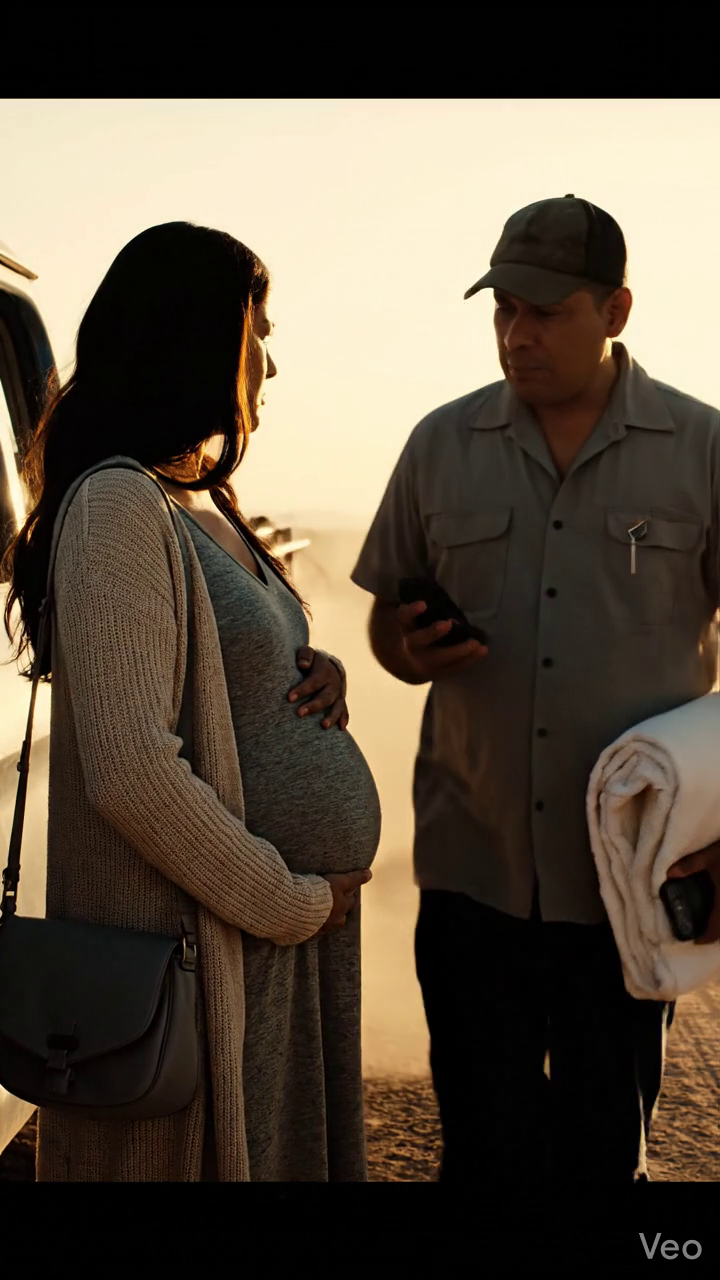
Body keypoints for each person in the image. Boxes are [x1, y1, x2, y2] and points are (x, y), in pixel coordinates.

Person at [351, 194, 720, 1185]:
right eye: (504, 309)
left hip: (630, 879)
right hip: (473, 876)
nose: (518, 334)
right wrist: (408, 646)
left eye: (546, 312)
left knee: (604, 1155)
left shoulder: (703, 448)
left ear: (616, 310)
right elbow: (386, 623)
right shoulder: (440, 444)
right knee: (481, 1153)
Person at [2, 221, 380, 1182]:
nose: (271, 365)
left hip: (266, 950)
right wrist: (288, 902)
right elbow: (131, 771)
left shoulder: (201, 501)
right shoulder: (117, 505)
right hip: (211, 948)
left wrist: (312, 668)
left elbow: (216, 665)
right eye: (260, 335)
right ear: (197, 335)